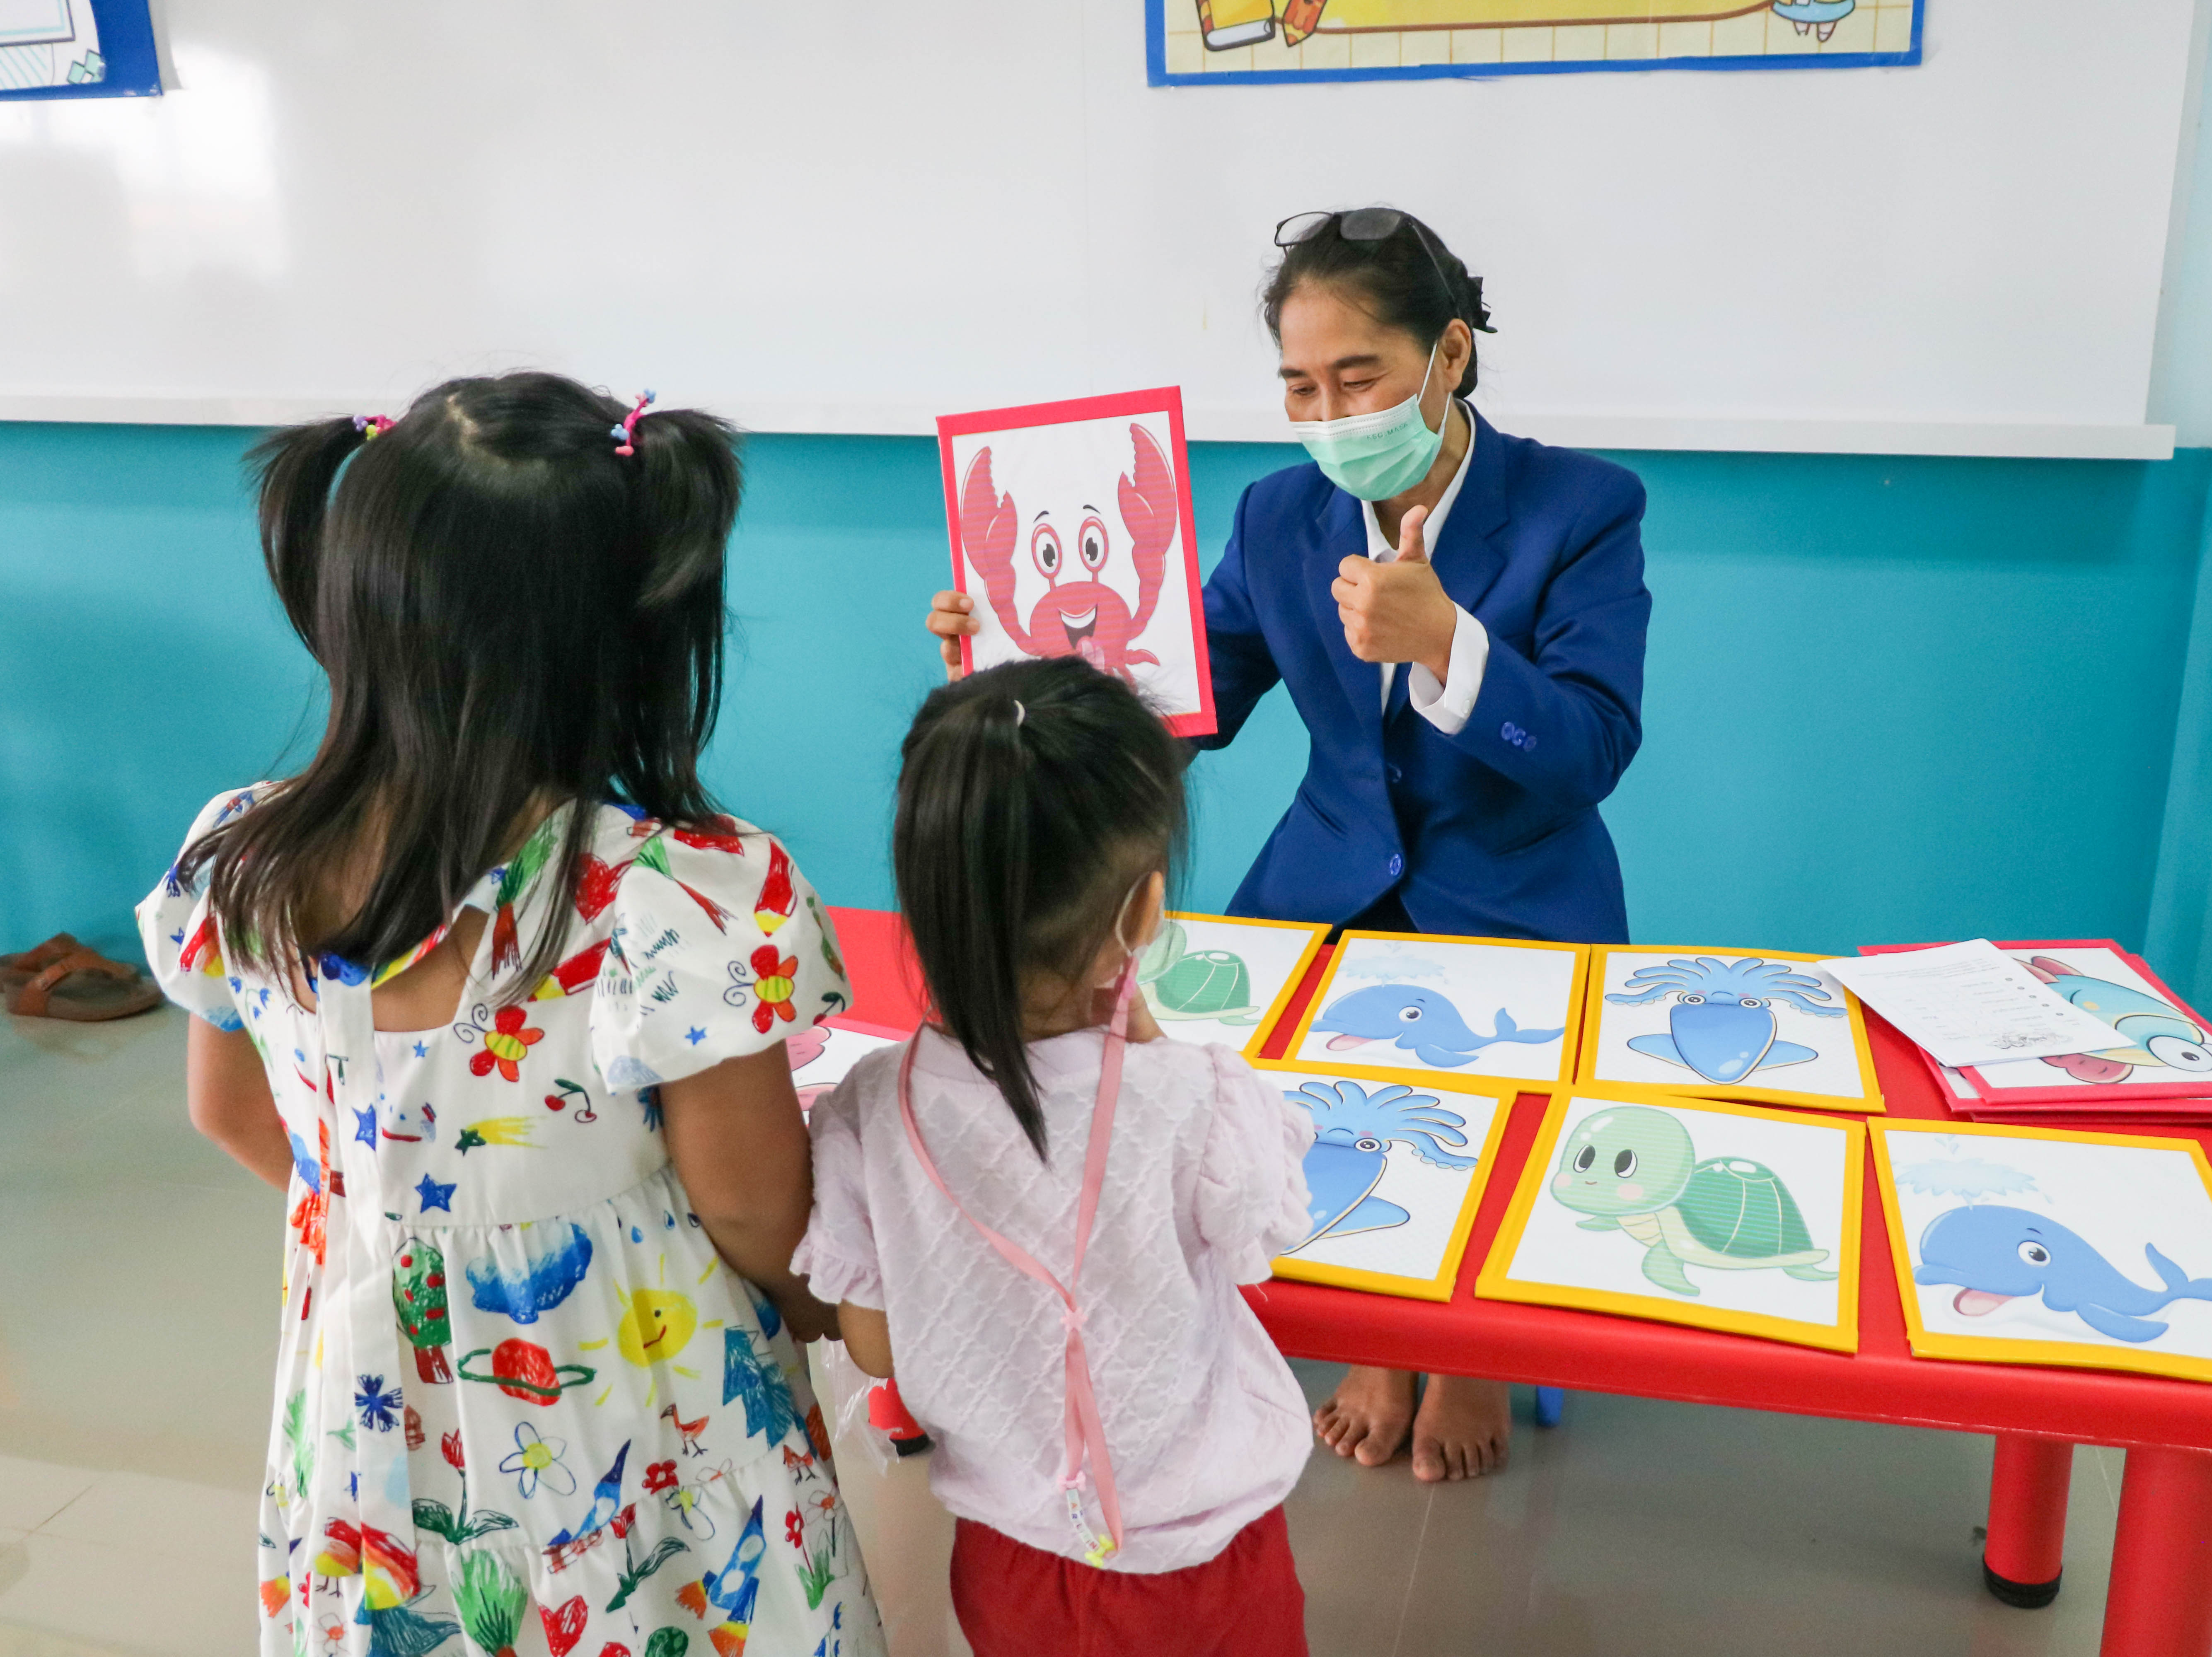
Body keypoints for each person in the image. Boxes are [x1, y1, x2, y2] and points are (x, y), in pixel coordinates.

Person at [140, 374, 883, 1657]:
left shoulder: (239, 857)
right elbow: (754, 1207)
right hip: (637, 1424)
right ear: (624, 634)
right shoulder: (673, 894)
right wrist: (835, 1311)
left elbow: (229, 1112)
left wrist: (402, 1226)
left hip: (369, 1428)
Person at [925, 208, 1651, 1483]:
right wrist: (1016, 686)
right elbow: (1181, 708)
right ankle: (1380, 1337)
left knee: (1489, 1126)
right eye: (1300, 386)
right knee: (1291, 1110)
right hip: (1327, 878)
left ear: (1451, 355)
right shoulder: (1279, 515)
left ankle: (1465, 1350)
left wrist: (1450, 644)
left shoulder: (1580, 507)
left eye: (1358, 377)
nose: (1329, 415)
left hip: (1523, 891)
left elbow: (1593, 745)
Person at [797, 656, 1316, 1657]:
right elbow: (1267, 1223)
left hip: (1011, 1556)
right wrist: (1157, 1045)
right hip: (1205, 1559)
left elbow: (875, 1347)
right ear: (1144, 913)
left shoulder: (867, 1110)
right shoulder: (1196, 1096)